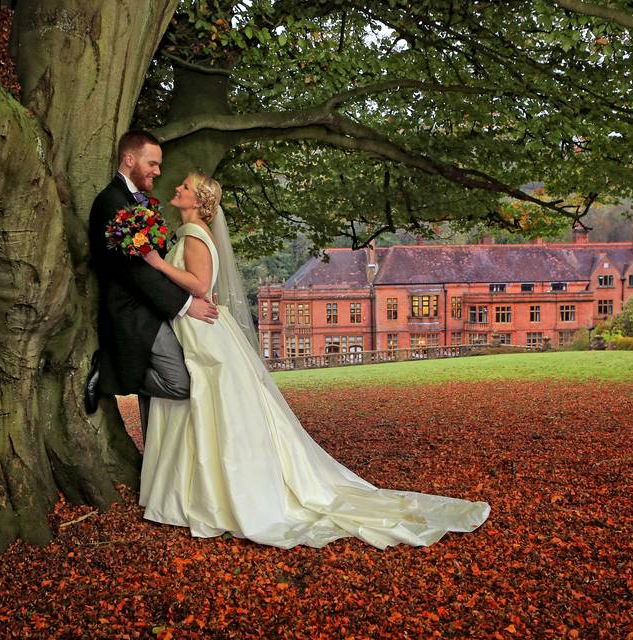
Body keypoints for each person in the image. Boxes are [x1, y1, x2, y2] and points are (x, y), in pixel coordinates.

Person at [137, 172, 490, 549]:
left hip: (201, 328)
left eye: (185, 187)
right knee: (206, 405)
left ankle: (209, 494)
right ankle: (197, 490)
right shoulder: (190, 232)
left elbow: (200, 285)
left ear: (200, 200)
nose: (177, 188)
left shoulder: (193, 235)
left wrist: (156, 263)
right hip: (198, 326)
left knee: (211, 405)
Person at [87, 130, 218, 433]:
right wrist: (186, 305)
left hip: (152, 308)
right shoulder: (111, 202)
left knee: (161, 407)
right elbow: (135, 270)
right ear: (129, 159)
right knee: (182, 383)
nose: (158, 171)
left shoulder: (141, 201)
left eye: (159, 165)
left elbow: (157, 259)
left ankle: (157, 472)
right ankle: (107, 369)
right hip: (133, 311)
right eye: (152, 164)